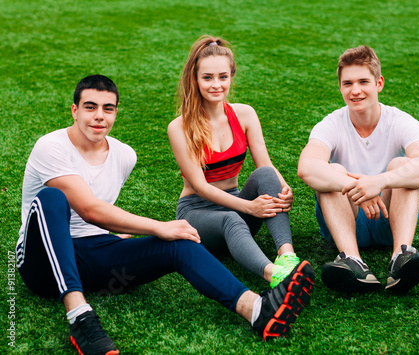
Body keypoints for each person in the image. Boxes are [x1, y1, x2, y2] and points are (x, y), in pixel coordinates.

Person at [16, 75, 315, 355]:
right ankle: (80, 316)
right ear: (74, 110)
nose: (99, 116)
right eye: (90, 107)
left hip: (95, 259)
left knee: (180, 242)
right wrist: (158, 226)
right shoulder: (51, 147)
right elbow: (90, 209)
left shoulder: (123, 155)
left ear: (116, 113)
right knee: (52, 198)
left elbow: (97, 215)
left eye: (108, 108)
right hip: (42, 267)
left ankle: (256, 310)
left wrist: (117, 239)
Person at [168, 35, 310, 288]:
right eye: (207, 77)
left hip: (236, 204)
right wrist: (249, 208)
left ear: (231, 76)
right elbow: (200, 187)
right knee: (230, 219)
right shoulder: (179, 127)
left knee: (266, 174)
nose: (216, 85)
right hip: (197, 212)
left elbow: (264, 164)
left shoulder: (245, 114)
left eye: (223, 77)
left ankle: (287, 256)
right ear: (195, 79)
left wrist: (284, 188)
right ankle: (275, 275)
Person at [297, 45, 419, 294]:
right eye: (348, 83)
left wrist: (380, 182)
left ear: (379, 83)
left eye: (363, 81)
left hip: (390, 218)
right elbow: (306, 167)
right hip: (345, 218)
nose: (355, 90)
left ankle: (401, 256)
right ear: (340, 87)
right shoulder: (330, 124)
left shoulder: (401, 121)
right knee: (334, 171)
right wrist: (357, 186)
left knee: (402, 164)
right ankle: (351, 260)